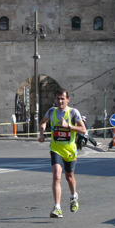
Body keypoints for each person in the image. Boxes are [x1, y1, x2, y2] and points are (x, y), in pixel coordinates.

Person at [38, 88, 87, 218]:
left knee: (69, 177)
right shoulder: (51, 111)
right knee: (57, 176)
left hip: (70, 150)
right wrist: (42, 133)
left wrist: (69, 127)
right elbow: (43, 122)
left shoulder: (73, 112)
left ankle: (73, 196)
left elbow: (83, 129)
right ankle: (57, 207)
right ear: (55, 99)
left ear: (67, 99)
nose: (60, 101)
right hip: (56, 148)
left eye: (62, 99)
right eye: (58, 98)